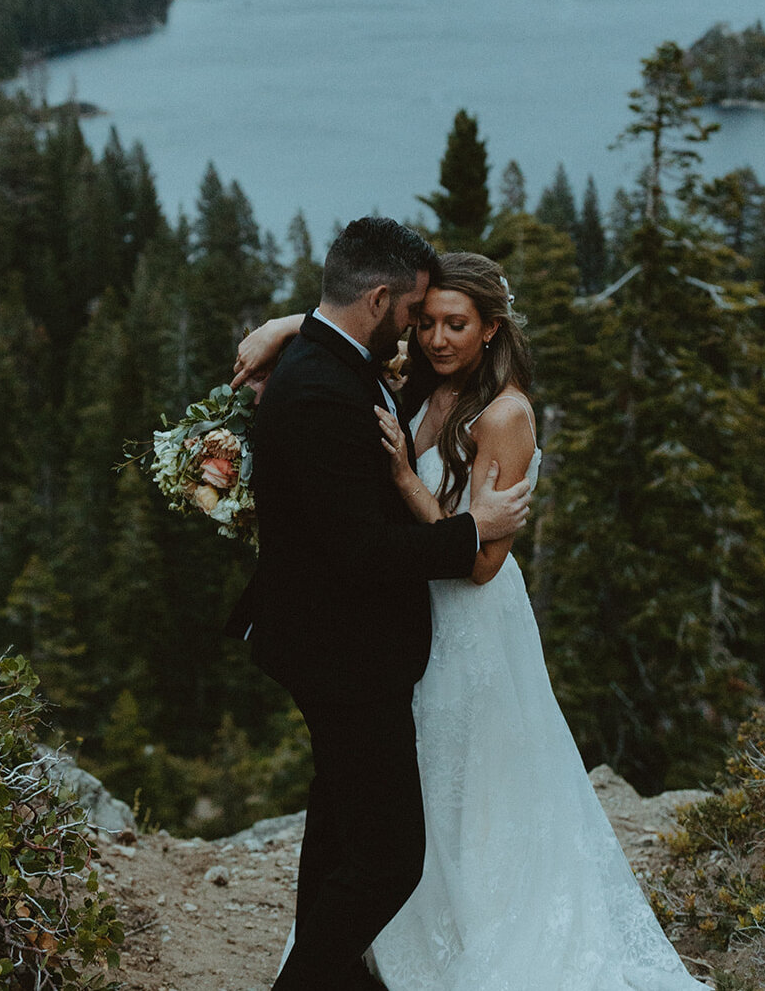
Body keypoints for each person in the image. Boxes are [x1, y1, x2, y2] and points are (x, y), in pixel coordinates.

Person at [236, 249, 708, 990]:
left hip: (473, 623)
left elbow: (483, 561)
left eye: (455, 324)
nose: (435, 338)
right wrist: (284, 325)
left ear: (490, 329)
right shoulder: (413, 388)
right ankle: (383, 946)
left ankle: (473, 938)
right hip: (409, 617)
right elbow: (351, 323)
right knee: (412, 791)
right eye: (424, 322)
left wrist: (402, 479)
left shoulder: (506, 414)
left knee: (475, 791)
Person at [224, 219, 532, 991]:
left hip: (338, 640)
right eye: (414, 314)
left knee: (336, 826)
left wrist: (284, 324)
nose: (420, 335)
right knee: (389, 855)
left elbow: (351, 332)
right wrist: (473, 530)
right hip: (344, 653)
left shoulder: (333, 361)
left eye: (445, 321)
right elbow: (362, 551)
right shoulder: (323, 388)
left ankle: (335, 977)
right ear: (382, 299)